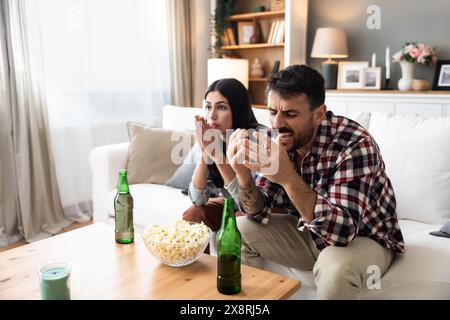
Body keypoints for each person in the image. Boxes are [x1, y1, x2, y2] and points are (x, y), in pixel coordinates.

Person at [226, 65, 405, 299]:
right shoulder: (276, 138)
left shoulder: (354, 143)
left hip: (365, 238)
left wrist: (288, 178)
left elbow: (342, 233)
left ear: (319, 114)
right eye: (271, 112)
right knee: (235, 232)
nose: (276, 123)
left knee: (335, 266)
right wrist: (242, 175)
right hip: (308, 231)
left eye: (290, 114)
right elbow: (258, 214)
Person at [182, 78, 263, 243]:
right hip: (234, 204)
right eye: (208, 107)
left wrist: (218, 155)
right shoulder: (213, 137)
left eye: (221, 107)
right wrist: (206, 152)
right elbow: (198, 199)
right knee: (194, 214)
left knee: (241, 220)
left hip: (260, 209)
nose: (212, 115)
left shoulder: (257, 139)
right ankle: (197, 269)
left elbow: (248, 205)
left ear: (238, 109)